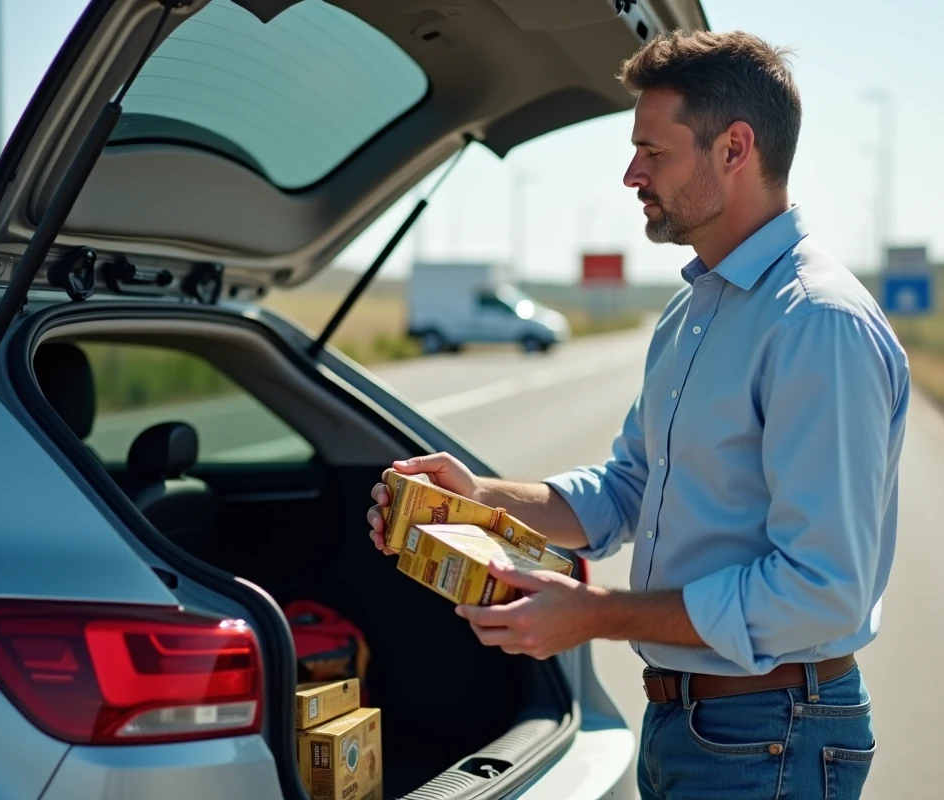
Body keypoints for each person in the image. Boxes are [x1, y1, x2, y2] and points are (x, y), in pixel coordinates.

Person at [367, 29, 910, 800]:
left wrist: (595, 614)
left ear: (735, 148)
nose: (631, 174)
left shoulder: (816, 323)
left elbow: (822, 588)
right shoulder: (692, 311)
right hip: (689, 728)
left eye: (653, 152)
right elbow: (627, 490)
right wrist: (481, 499)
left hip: (772, 736)